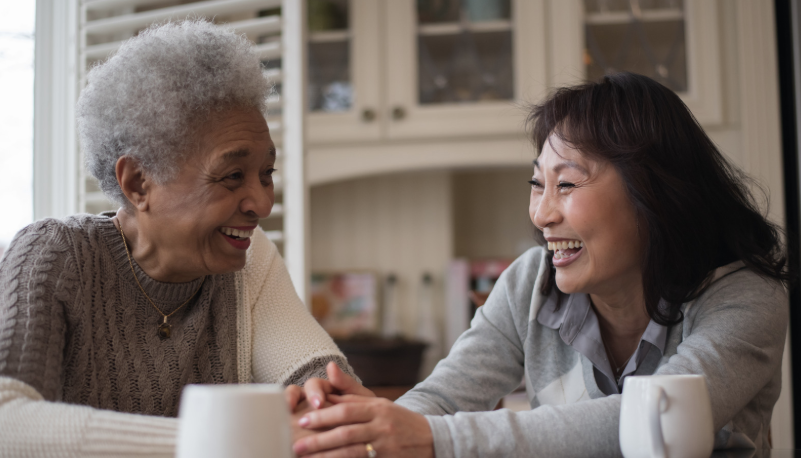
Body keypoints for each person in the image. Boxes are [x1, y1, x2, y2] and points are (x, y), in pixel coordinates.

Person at [288, 72, 791, 458]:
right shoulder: (530, 283)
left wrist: (432, 438)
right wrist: (374, 424)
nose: (542, 213)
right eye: (537, 184)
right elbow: (441, 400)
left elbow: (652, 417)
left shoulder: (745, 296)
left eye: (566, 184)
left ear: (653, 193)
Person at [0, 20, 354, 456]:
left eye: (267, 174)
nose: (262, 204)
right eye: (232, 176)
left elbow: (322, 383)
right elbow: (6, 419)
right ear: (138, 183)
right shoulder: (53, 256)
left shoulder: (249, 260)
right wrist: (216, 440)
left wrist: (327, 404)